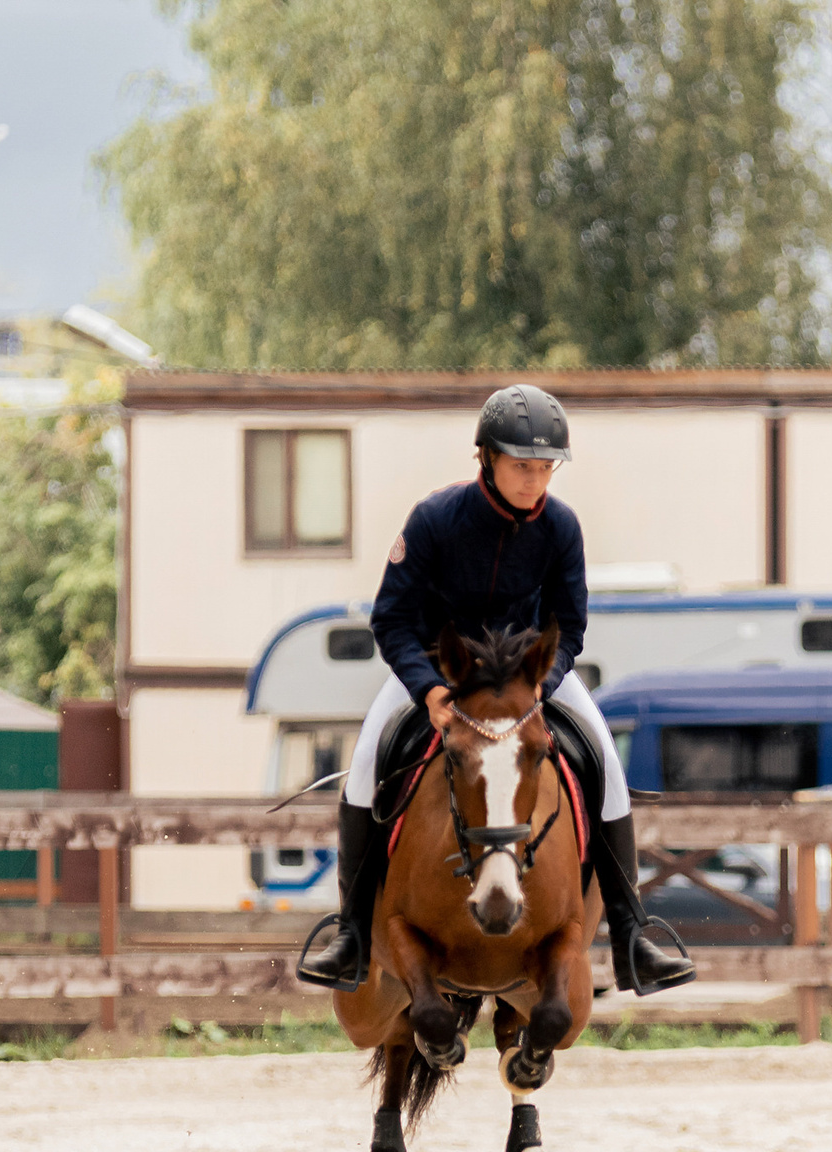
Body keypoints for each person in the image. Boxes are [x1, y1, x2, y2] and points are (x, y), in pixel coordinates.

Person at [297, 383, 697, 997]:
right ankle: (351, 933)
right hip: (441, 669)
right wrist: (429, 690)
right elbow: (391, 620)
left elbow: (571, 625)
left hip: (526, 677)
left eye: (545, 469)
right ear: (486, 458)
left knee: (606, 763)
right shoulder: (434, 519)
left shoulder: (561, 527)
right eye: (522, 467)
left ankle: (631, 935)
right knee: (367, 759)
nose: (535, 481)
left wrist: (541, 684)